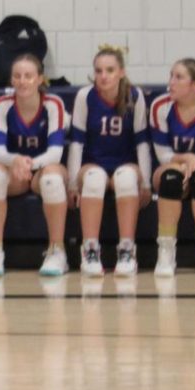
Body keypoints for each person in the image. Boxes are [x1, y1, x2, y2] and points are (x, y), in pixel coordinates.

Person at [67, 46, 151, 277]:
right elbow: (77, 142)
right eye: (99, 70)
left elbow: (142, 142)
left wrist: (146, 184)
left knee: (126, 179)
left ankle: (126, 250)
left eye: (110, 70)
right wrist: (74, 184)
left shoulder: (134, 96)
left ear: (121, 72)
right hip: (93, 164)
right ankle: (90, 250)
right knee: (94, 180)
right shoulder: (85, 96)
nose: (103, 76)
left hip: (124, 163)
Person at [0, 54, 68, 276]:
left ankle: (57, 251)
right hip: (16, 171)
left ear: (40, 79)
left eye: (28, 76)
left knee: (51, 179)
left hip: (45, 168)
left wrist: (28, 164)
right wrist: (15, 161)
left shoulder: (53, 104)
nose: (22, 81)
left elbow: (56, 153)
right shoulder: (2, 105)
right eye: (17, 76)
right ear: (11, 80)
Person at [149, 57, 195, 277]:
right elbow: (163, 154)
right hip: (168, 166)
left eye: (179, 77)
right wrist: (186, 159)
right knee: (171, 178)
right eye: (171, 76)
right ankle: (166, 250)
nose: (171, 82)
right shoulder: (160, 106)